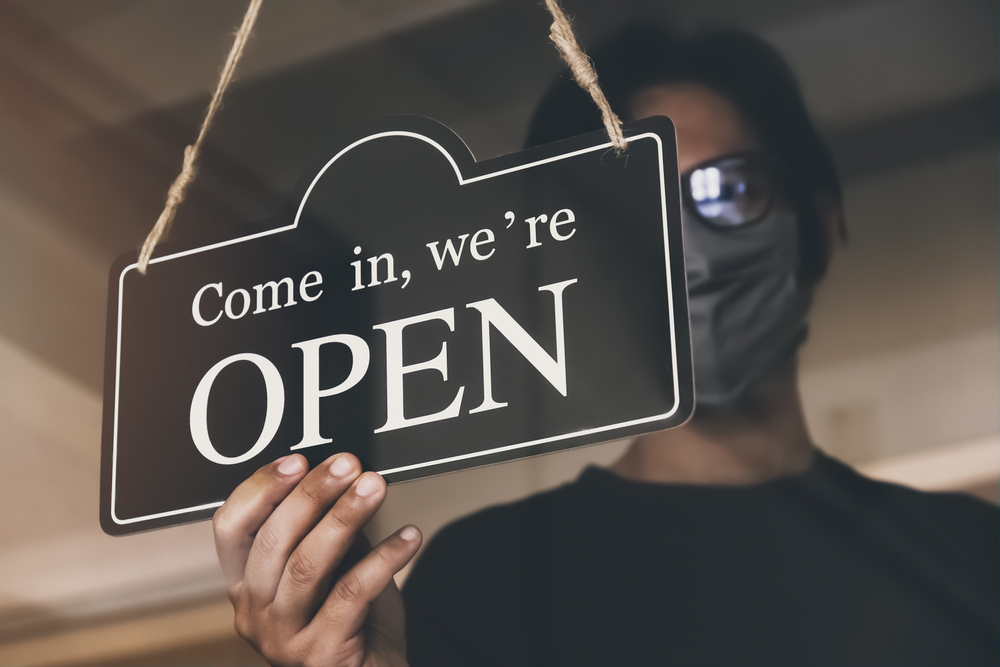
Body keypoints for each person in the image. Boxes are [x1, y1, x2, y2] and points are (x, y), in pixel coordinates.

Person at [212, 25, 999, 666]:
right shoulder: (492, 580)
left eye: (727, 189)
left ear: (820, 223)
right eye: (635, 210)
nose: (686, 249)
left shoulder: (974, 556)